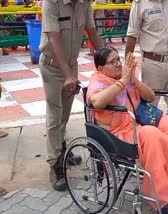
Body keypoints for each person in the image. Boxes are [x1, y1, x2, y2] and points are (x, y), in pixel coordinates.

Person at [87, 46, 168, 214]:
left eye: (118, 60)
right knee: (153, 136)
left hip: (137, 122)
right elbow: (97, 102)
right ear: (100, 68)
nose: (118, 64)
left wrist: (134, 81)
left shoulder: (126, 77)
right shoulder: (98, 81)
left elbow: (150, 97)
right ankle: (163, 197)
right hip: (118, 133)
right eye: (112, 62)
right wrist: (123, 81)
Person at [39, 0, 103, 191]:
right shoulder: (52, 3)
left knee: (65, 114)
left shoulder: (84, 4)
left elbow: (92, 32)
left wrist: (108, 56)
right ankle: (55, 164)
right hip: (52, 66)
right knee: (54, 115)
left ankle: (62, 150)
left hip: (71, 66)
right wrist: (67, 75)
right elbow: (53, 39)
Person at [125, 0, 168, 119]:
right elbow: (132, 35)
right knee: (150, 106)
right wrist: (127, 68)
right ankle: (151, 135)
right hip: (152, 65)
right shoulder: (139, 4)